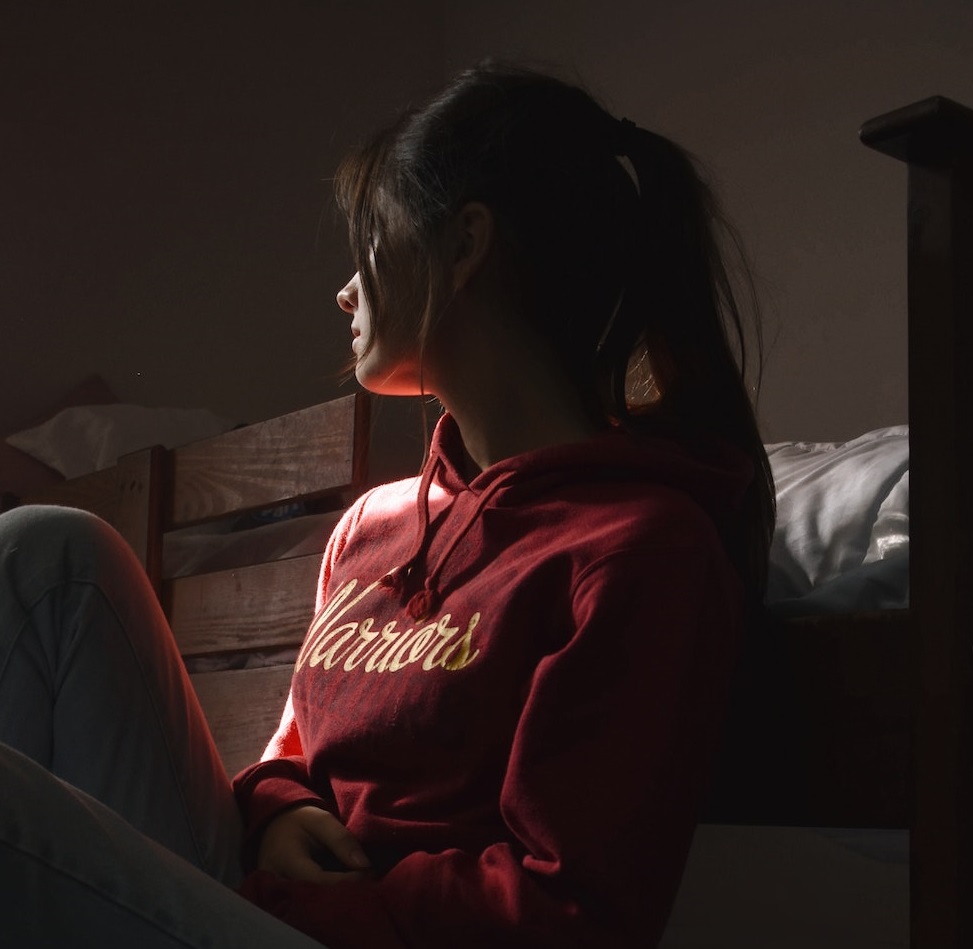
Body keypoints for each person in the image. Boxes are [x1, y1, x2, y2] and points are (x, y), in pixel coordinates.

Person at [0, 61, 774, 948]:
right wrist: (275, 807)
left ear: (463, 245)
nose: (343, 290)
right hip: (262, 904)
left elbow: (564, 914)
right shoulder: (372, 525)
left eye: (370, 237)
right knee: (48, 553)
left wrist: (301, 906)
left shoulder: (634, 550)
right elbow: (290, 758)